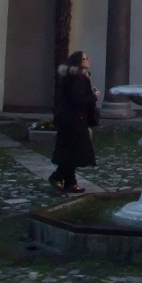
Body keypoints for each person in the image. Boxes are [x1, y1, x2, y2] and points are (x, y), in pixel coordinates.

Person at [50, 50, 99, 193]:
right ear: (78, 62)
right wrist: (94, 97)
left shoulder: (74, 77)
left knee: (72, 152)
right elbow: (78, 100)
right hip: (74, 120)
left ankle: (70, 183)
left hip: (72, 119)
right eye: (85, 58)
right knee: (73, 151)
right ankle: (58, 177)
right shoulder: (77, 79)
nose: (88, 60)